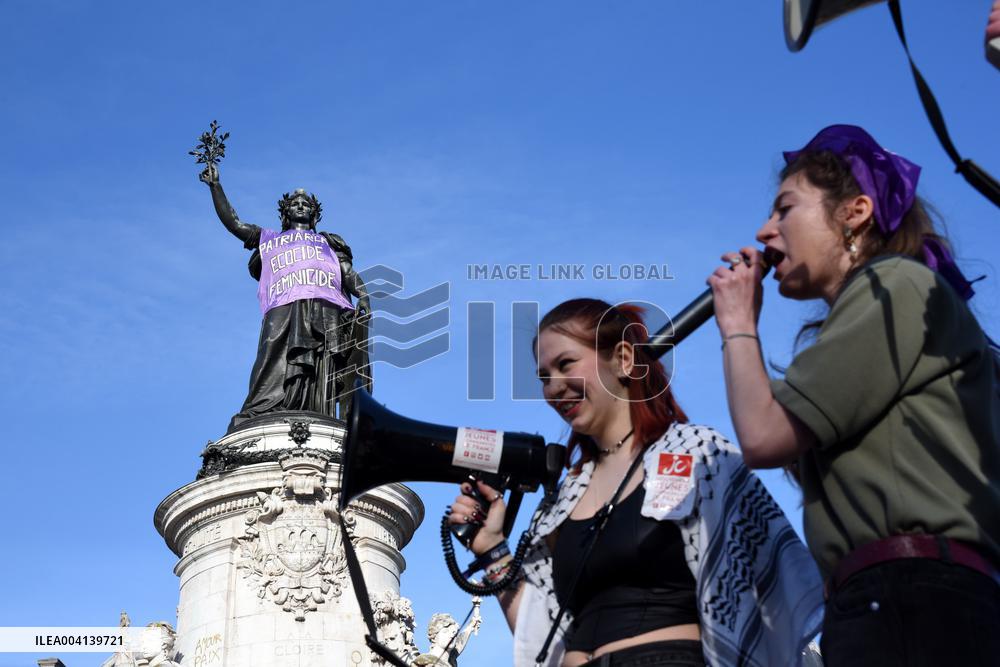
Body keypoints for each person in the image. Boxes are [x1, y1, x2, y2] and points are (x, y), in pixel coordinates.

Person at [709, 124, 1000, 666]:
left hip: (910, 597)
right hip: (892, 599)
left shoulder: (895, 286)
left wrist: (737, 325)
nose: (765, 231)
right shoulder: (879, 307)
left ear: (855, 212)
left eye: (785, 209)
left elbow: (764, 436)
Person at [449, 299, 823, 667]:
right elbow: (541, 638)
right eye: (544, 378)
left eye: (566, 364)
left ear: (624, 359)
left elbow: (781, 580)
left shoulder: (698, 455)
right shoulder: (563, 500)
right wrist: (492, 549)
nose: (554, 388)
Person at [199, 163, 371, 431]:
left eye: (306, 204)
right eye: (295, 204)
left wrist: (363, 295)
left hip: (325, 307)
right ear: (285, 212)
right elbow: (234, 224)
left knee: (320, 363)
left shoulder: (328, 242)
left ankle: (315, 412)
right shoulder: (269, 239)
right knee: (272, 353)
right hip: (283, 303)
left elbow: (347, 272)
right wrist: (215, 186)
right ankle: (263, 407)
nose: (300, 206)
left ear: (314, 214)